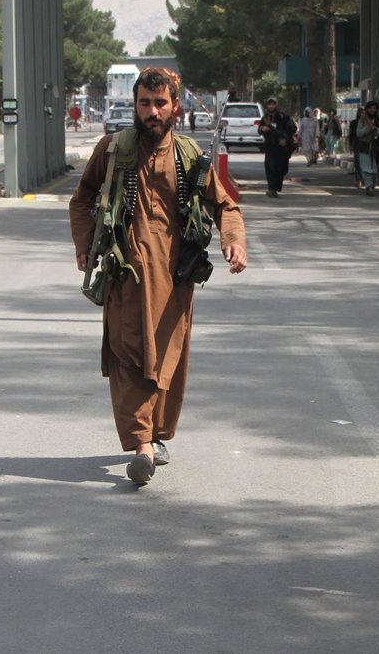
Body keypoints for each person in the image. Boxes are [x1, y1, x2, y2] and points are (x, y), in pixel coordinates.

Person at [69, 67, 247, 485]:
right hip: (125, 275)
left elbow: (225, 205)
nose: (152, 112)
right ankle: (142, 446)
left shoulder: (189, 155)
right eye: (144, 103)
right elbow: (82, 199)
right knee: (128, 354)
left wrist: (233, 241)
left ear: (175, 107)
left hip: (175, 279)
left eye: (160, 103)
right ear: (134, 105)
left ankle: (155, 435)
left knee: (167, 357)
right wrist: (85, 244)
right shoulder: (113, 149)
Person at [259, 97, 297, 198]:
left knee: (281, 168)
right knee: (270, 167)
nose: (271, 106)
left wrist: (285, 139)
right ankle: (271, 188)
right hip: (270, 146)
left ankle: (275, 188)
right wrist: (263, 128)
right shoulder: (265, 117)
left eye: (273, 104)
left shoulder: (283, 117)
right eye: (269, 104)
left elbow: (292, 128)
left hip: (281, 147)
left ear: (276, 105)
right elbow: (260, 128)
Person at [354, 100, 379, 195]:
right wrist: (368, 128)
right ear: (367, 109)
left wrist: (375, 128)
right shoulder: (362, 120)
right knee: (366, 168)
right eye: (370, 108)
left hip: (376, 146)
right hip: (364, 146)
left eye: (374, 108)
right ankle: (368, 186)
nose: (372, 110)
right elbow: (358, 133)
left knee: (375, 169)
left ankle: (372, 185)